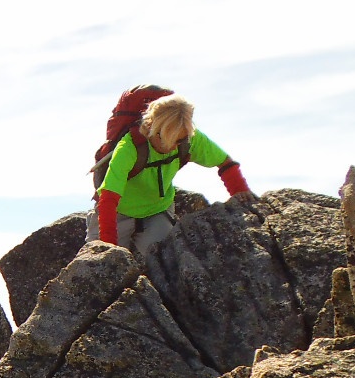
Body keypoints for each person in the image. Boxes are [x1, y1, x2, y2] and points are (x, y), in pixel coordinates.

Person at [87, 93, 251, 256]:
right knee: (97, 264)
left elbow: (225, 162)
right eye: (167, 139)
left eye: (179, 141)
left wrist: (241, 193)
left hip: (157, 212)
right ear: (152, 129)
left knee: (167, 261)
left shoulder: (188, 137)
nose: (173, 146)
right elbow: (108, 197)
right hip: (117, 213)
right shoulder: (129, 147)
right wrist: (108, 250)